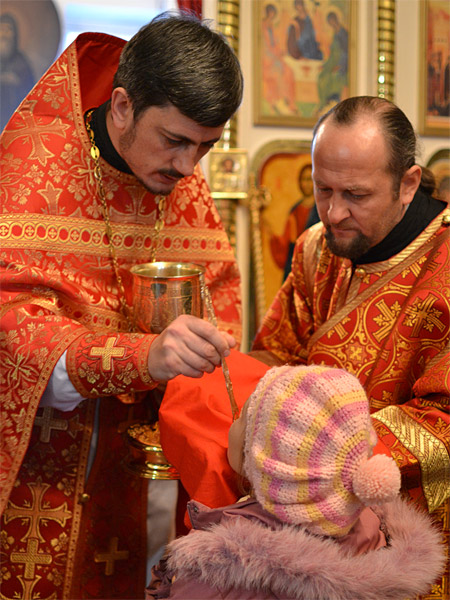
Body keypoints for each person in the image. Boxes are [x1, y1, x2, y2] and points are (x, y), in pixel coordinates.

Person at [158, 96, 450, 599]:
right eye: (323, 189)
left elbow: (443, 421)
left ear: (407, 183)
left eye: (355, 194)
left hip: (406, 525)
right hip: (301, 520)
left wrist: (312, 447)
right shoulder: (317, 246)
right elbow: (278, 353)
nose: (334, 213)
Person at [0, 11, 243, 600]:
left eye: (206, 147)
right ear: (123, 106)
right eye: (176, 141)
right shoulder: (32, 166)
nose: (188, 168)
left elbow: (222, 298)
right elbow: (12, 334)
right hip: (40, 475)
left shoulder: (179, 179)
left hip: (150, 484)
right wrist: (141, 357)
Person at [147, 365, 444, 599]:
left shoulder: (217, 574)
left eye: (243, 418)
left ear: (264, 462)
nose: (232, 423)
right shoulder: (373, 529)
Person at [269, 162, 315, 280]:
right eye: (304, 179)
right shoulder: (295, 211)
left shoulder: (321, 210)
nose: (307, 184)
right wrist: (272, 236)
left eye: (310, 179)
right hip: (295, 262)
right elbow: (287, 240)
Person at [0, 12, 35, 129]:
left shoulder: (22, 62)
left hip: (13, 120)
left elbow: (30, 93)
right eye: (2, 29)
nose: (4, 34)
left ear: (14, 34)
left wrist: (15, 82)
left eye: (8, 30)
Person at [317, 11, 348, 112]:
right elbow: (332, 55)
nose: (332, 24)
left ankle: (334, 101)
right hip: (333, 62)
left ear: (336, 20)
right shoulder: (335, 34)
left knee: (334, 76)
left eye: (332, 21)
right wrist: (325, 65)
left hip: (342, 64)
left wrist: (340, 65)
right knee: (322, 76)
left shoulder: (343, 34)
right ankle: (324, 103)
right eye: (330, 23)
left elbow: (345, 52)